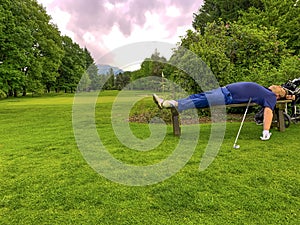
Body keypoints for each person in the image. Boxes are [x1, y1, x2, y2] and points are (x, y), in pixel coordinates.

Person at [153, 82, 295, 141]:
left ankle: (168, 104)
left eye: (276, 89)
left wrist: (265, 131)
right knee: (196, 97)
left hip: (225, 96)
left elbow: (269, 112)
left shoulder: (270, 96)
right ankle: (172, 102)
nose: (273, 87)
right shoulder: (268, 92)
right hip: (223, 90)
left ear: (277, 95)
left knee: (198, 101)